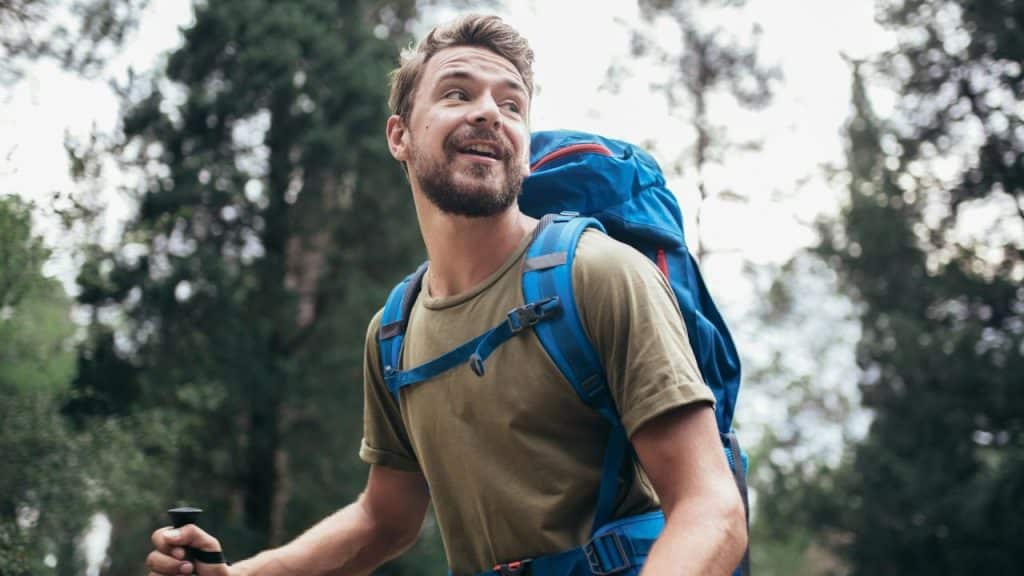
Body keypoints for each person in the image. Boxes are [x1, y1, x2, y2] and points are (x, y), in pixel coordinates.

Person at [146, 14, 747, 576]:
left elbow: (710, 508)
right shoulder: (394, 332)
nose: (490, 114)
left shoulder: (600, 276)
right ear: (399, 136)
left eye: (511, 103)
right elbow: (383, 519)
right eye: (458, 93)